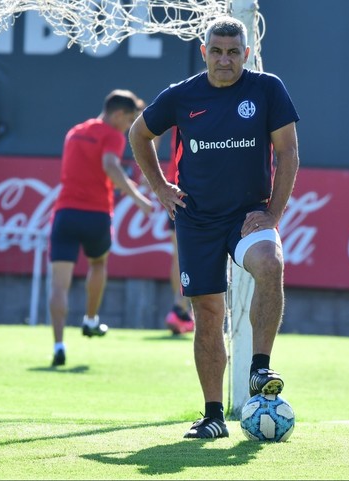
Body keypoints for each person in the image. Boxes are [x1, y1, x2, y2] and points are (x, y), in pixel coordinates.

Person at [129, 16, 300, 439]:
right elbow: (138, 134)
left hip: (248, 214)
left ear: (246, 53)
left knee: (270, 262)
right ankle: (213, 415)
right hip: (198, 219)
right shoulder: (181, 95)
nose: (225, 59)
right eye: (217, 51)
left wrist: (273, 214)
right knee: (208, 314)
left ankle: (259, 369)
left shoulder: (267, 89)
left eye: (234, 52)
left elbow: (289, 153)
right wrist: (161, 188)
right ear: (204, 52)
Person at [48, 89, 153, 367]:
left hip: (65, 213)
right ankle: (91, 319)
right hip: (95, 215)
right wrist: (139, 198)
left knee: (59, 283)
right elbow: (108, 165)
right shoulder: (111, 135)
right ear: (118, 114)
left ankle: (58, 344)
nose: (129, 127)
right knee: (98, 264)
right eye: (129, 120)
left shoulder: (74, 132)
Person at [160, 127, 195, 335]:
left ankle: (180, 307)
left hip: (175, 185)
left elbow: (150, 131)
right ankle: (181, 308)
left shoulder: (179, 95)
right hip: (196, 183)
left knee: (180, 254)